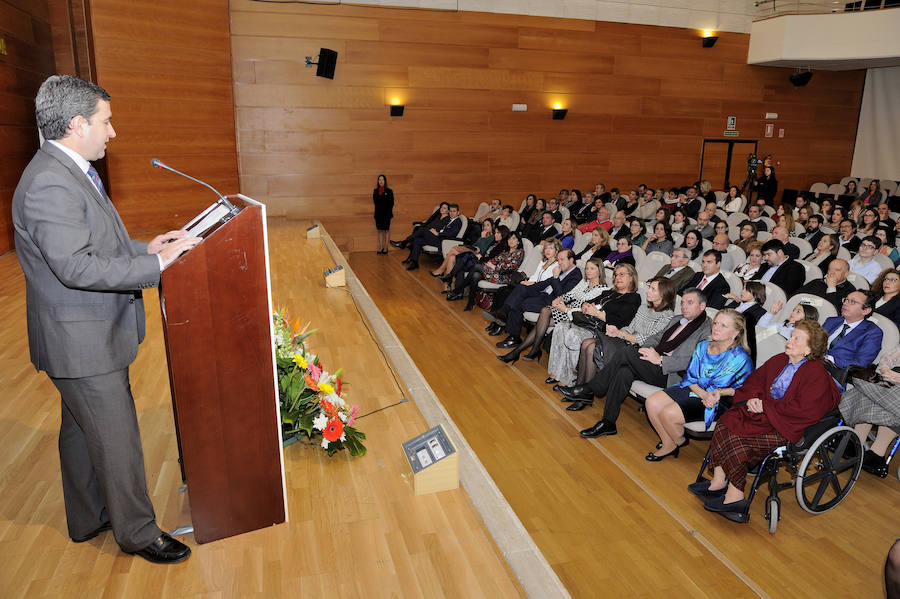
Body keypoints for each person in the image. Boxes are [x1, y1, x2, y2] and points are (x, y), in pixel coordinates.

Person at [12, 75, 200, 563]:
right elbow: (76, 265)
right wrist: (156, 267)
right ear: (77, 124)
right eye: (105, 121)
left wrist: (147, 248)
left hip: (82, 336)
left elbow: (95, 244)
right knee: (117, 437)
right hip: (82, 340)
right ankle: (138, 532)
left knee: (81, 429)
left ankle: (87, 517)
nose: (112, 132)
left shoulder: (65, 170)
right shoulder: (49, 182)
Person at [692, 320, 840, 518]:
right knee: (726, 422)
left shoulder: (816, 374)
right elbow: (754, 381)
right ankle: (718, 482)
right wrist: (754, 399)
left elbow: (804, 409)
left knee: (739, 441)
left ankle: (735, 497)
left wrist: (766, 406)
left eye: (797, 339)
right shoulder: (780, 359)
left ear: (809, 349)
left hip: (784, 424)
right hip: (762, 414)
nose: (790, 340)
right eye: (791, 335)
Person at [568, 288, 711, 434]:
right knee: (624, 372)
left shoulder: (707, 330)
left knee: (626, 352)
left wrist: (661, 360)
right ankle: (608, 422)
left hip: (671, 373)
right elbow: (656, 337)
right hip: (653, 360)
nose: (684, 306)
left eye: (690, 303)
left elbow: (694, 361)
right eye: (683, 302)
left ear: (702, 305)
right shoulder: (677, 319)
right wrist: (648, 350)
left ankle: (592, 388)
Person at [644, 310, 753, 461]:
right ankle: (672, 443)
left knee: (667, 414)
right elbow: (690, 377)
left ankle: (677, 441)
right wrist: (703, 394)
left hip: (719, 401)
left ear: (736, 332)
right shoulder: (703, 346)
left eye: (723, 326)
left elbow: (743, 391)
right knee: (651, 403)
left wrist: (717, 393)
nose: (716, 328)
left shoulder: (741, 358)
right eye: (715, 323)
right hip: (695, 389)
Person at [556, 276, 674, 389]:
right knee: (587, 343)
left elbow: (647, 339)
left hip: (636, 350)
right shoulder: (644, 307)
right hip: (625, 340)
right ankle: (579, 385)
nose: (648, 291)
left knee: (592, 347)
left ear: (663, 295)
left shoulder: (667, 316)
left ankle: (585, 391)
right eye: (649, 287)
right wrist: (617, 331)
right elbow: (631, 327)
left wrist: (620, 334)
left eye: (653, 289)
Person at [498, 258, 608, 364]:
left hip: (576, 315)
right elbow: (570, 294)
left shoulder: (602, 289)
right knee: (545, 314)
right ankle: (525, 351)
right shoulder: (584, 282)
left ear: (600, 270)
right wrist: (559, 299)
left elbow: (585, 309)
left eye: (592, 268)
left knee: (544, 314)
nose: (588, 271)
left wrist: (565, 308)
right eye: (587, 268)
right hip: (565, 310)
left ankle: (525, 351)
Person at [493, 248, 581, 346]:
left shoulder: (576, 276)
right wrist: (530, 285)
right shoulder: (563, 269)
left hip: (551, 303)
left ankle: (513, 336)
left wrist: (556, 277)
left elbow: (561, 296)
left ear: (571, 260)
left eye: (562, 259)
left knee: (519, 303)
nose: (559, 262)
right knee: (521, 288)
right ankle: (504, 313)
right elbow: (546, 283)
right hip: (543, 295)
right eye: (558, 259)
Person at [839, 346, 900, 477]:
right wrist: (884, 369)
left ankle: (877, 452)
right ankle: (857, 442)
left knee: (893, 401)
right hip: (890, 379)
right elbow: (888, 358)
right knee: (868, 392)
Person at [455, 230, 525, 311]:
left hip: (504, 277)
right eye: (509, 239)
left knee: (477, 266)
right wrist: (491, 264)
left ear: (518, 241)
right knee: (475, 276)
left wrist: (494, 267)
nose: (511, 241)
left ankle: (459, 289)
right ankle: (470, 303)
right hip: (494, 272)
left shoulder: (519, 252)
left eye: (513, 239)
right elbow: (492, 260)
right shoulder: (505, 252)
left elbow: (508, 268)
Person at [823, 291, 883, 370]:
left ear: (866, 311)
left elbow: (860, 363)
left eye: (853, 302)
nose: (845, 303)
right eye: (846, 300)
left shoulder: (873, 333)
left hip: (837, 372)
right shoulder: (831, 321)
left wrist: (829, 359)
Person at [403, 204, 462, 270]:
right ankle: (415, 263)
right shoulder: (449, 219)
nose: (452, 213)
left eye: (454, 211)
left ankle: (405, 242)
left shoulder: (458, 222)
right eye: (450, 211)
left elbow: (452, 234)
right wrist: (434, 231)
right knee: (417, 240)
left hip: (442, 242)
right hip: (437, 238)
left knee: (423, 230)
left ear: (458, 212)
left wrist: (438, 234)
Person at [430, 218, 495, 279]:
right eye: (484, 225)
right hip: (472, 250)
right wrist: (480, 240)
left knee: (454, 249)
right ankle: (448, 282)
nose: (485, 227)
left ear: (492, 227)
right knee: (451, 257)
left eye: (488, 225)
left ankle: (441, 270)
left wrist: (482, 238)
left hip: (477, 256)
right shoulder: (484, 235)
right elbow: (475, 245)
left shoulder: (492, 237)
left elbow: (482, 250)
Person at [372, 174, 394, 254]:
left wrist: (384, 194)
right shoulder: (375, 191)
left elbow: (391, 203)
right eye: (379, 180)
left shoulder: (389, 191)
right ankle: (381, 247)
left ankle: (386, 247)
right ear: (378, 181)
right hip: (378, 214)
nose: (381, 181)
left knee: (386, 230)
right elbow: (376, 202)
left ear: (385, 181)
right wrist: (380, 193)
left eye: (382, 180)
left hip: (387, 214)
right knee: (380, 231)